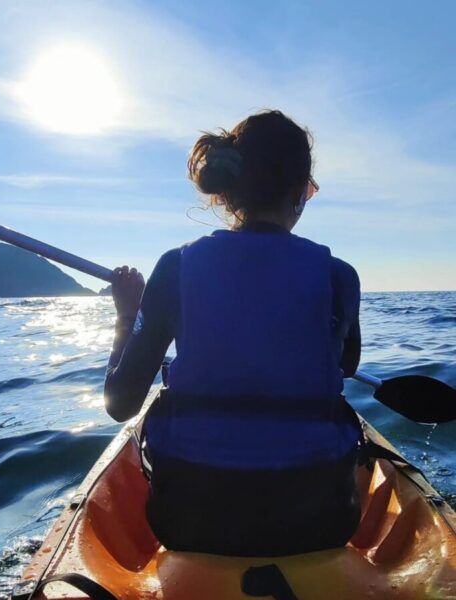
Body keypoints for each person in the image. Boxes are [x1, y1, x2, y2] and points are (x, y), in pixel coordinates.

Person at [104, 110, 362, 557]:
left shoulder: (175, 268)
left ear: (226, 194)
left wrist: (128, 318)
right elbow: (347, 366)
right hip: (320, 519)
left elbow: (119, 403)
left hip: (188, 519)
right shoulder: (340, 278)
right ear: (300, 192)